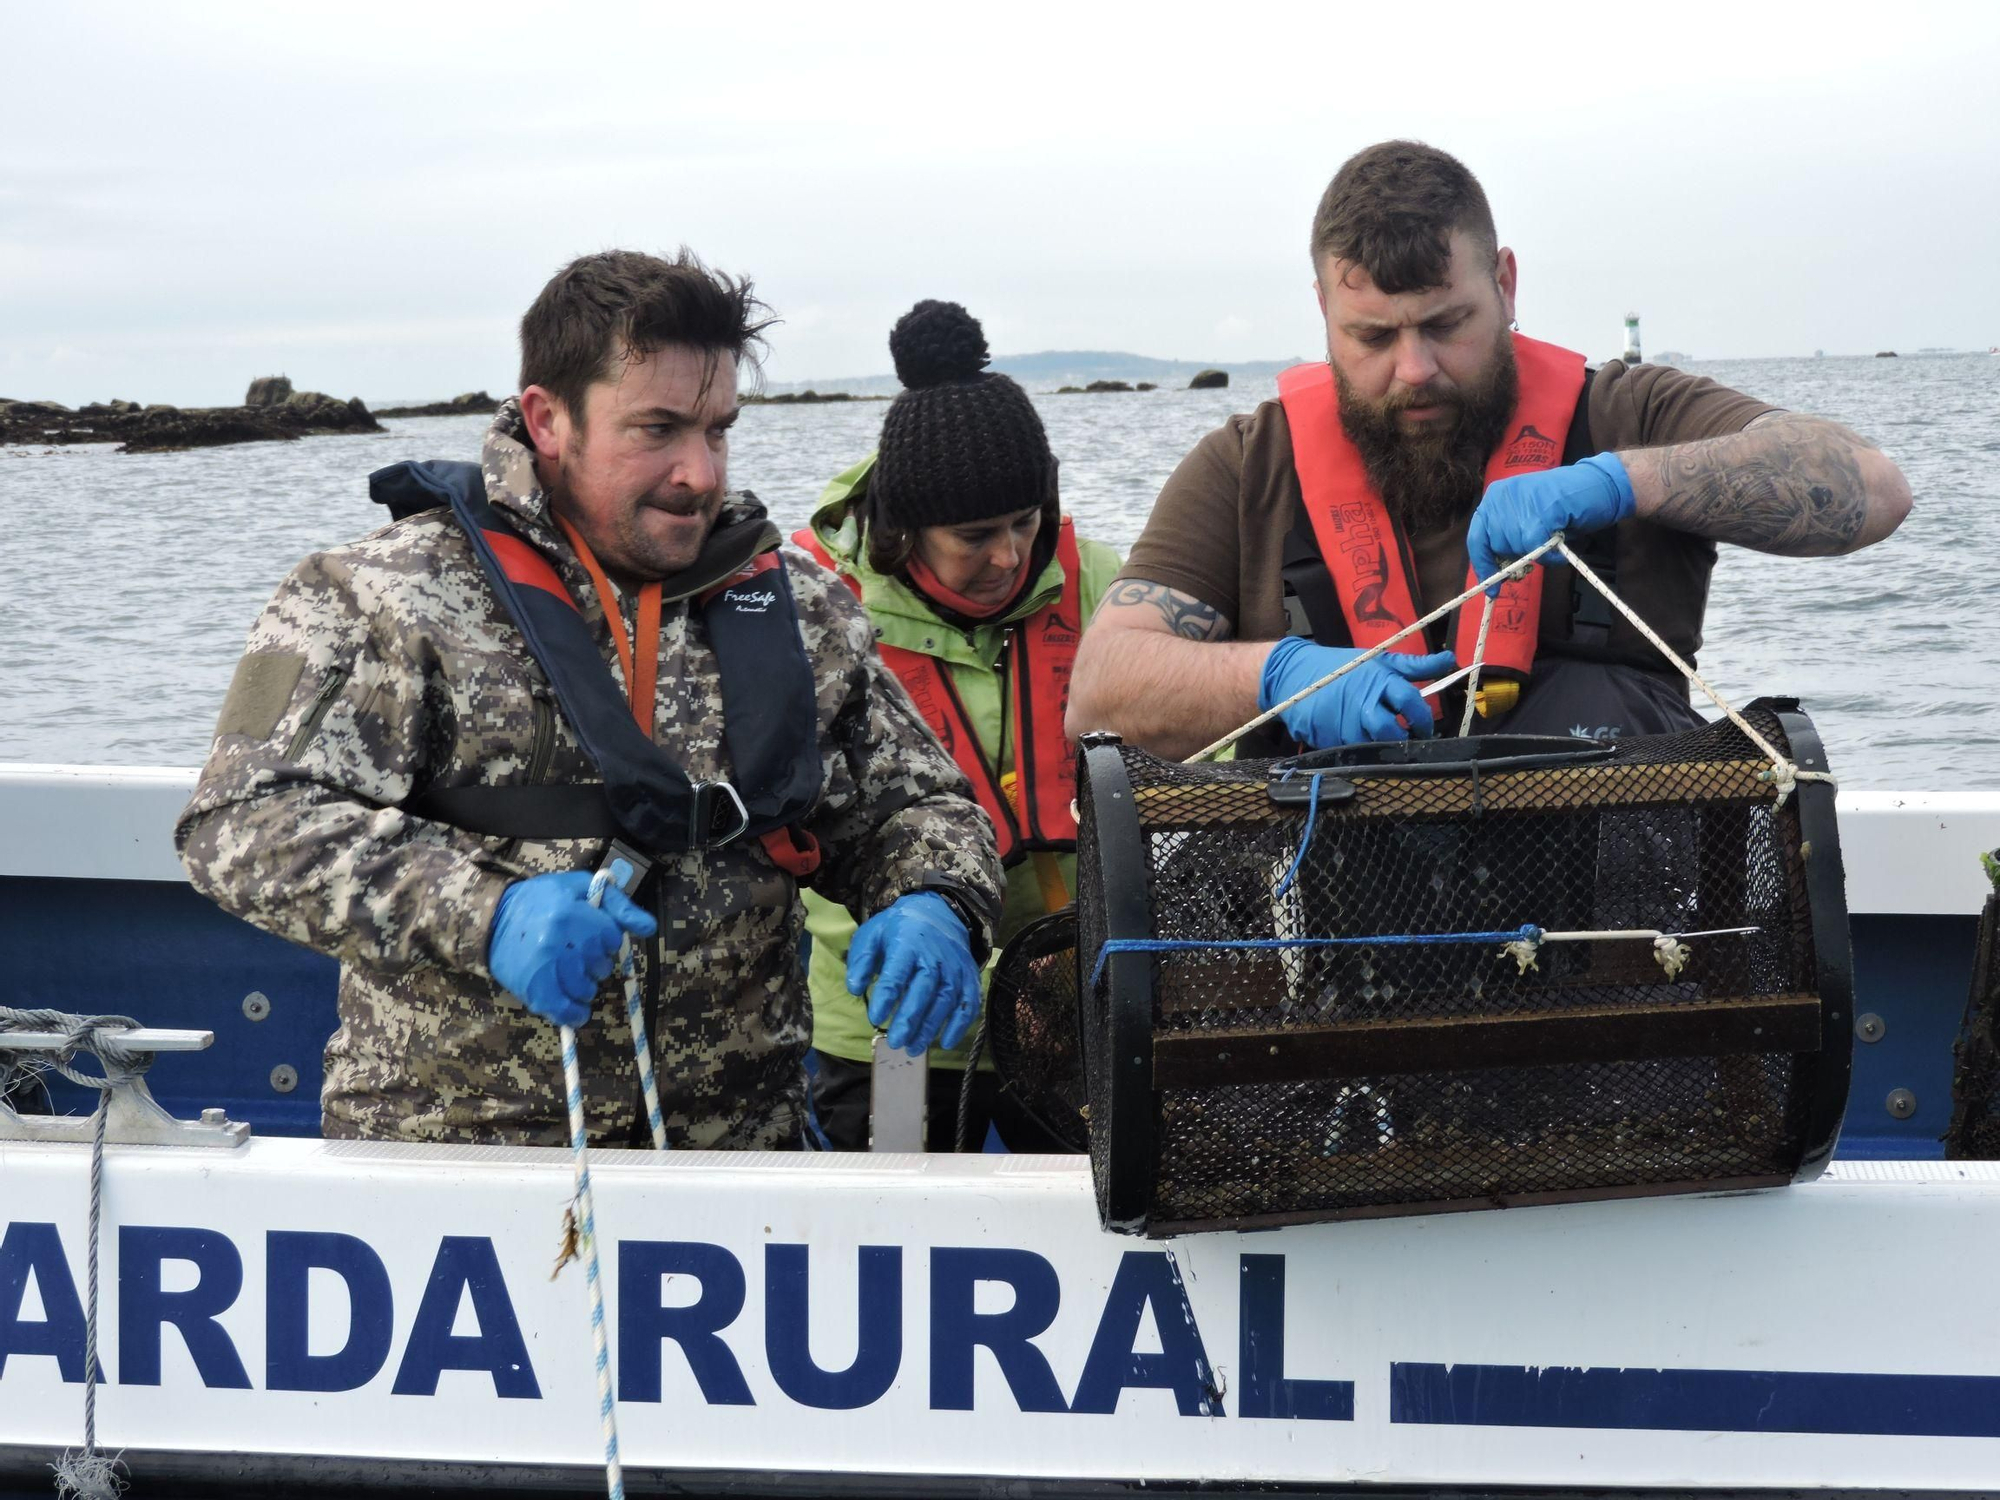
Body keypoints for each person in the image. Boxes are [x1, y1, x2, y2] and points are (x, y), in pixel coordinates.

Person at [176, 249, 1004, 1150]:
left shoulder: (800, 607)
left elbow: (917, 805)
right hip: (447, 1166)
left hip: (744, 1171)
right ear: (548, 419)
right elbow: (240, 824)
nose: (699, 472)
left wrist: (933, 897)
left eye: (718, 430)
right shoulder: (375, 596)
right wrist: (485, 915)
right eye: (658, 430)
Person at [1068, 140, 1913, 758]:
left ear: (1505, 285)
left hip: (1617, 958)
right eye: (1371, 337)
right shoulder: (1248, 466)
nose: (1414, 369)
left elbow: (1874, 491)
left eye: (1446, 324)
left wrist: (1623, 480)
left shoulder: (1631, 410)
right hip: (1340, 956)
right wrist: (1277, 675)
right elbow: (1099, 693)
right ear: (1322, 310)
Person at [792, 300, 1122, 1151]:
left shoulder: (1102, 585)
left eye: (1026, 521)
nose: (1010, 556)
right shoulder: (809, 608)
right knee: (890, 1241)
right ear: (904, 529)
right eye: (975, 535)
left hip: (1070, 1004)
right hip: (893, 1022)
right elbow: (798, 828)